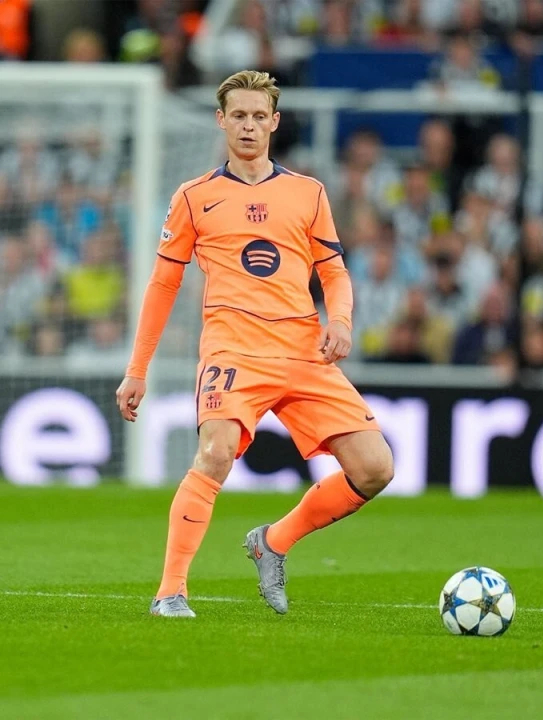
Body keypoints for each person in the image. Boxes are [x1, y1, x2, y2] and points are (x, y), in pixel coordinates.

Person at [116, 70, 394, 619]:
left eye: (258, 116)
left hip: (303, 350)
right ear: (221, 121)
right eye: (238, 115)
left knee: (375, 468)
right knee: (215, 452)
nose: (248, 125)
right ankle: (170, 591)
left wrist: (340, 320)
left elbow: (334, 271)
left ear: (275, 122)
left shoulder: (308, 193)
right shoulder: (194, 197)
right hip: (234, 351)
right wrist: (138, 369)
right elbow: (163, 284)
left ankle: (273, 541)